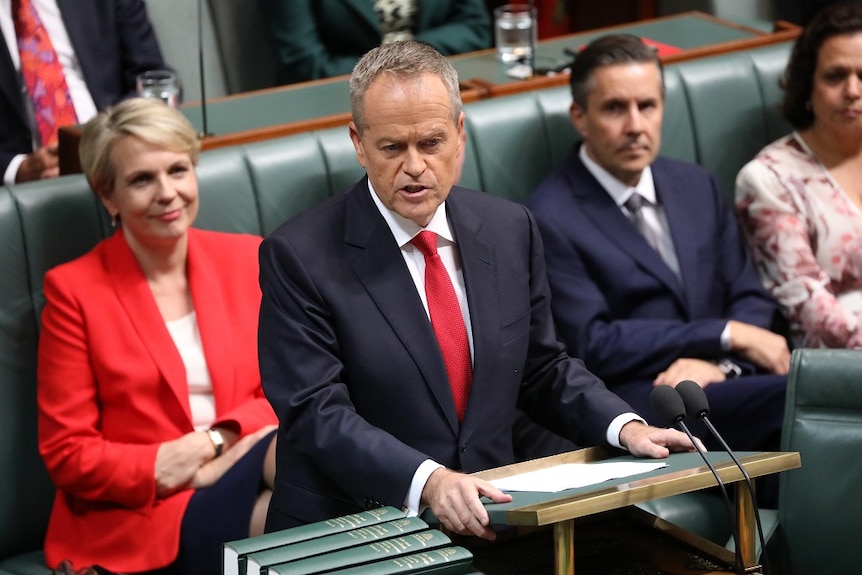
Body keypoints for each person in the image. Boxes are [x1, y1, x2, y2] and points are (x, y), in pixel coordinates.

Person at [258, 40, 697, 538]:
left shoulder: (510, 228)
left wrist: (625, 427)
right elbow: (315, 413)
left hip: (493, 513)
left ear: (460, 135)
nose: (415, 165)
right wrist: (429, 482)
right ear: (358, 143)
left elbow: (542, 367)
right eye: (391, 147)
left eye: (431, 143)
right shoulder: (299, 255)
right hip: (358, 522)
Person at [37, 98, 278, 575]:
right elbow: (68, 451)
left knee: (308, 463)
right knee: (297, 501)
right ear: (109, 197)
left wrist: (214, 440)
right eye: (142, 179)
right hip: (152, 510)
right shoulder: (74, 291)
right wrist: (165, 465)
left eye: (177, 170)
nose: (167, 193)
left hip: (248, 456)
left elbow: (287, 387)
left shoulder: (247, 258)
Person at [525, 35, 790, 462]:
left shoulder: (696, 185)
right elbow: (594, 342)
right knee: (812, 402)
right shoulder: (547, 216)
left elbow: (749, 296)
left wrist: (720, 367)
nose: (635, 125)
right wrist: (722, 334)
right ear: (580, 116)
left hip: (723, 382)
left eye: (647, 106)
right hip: (642, 400)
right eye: (615, 108)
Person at [736, 3, 862, 350]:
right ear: (807, 86)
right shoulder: (769, 180)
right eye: (835, 76)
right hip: (839, 371)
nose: (852, 90)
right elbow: (814, 316)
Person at [0, 0, 167, 184]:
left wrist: (114, 139)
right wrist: (16, 169)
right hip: (27, 188)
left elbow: (153, 79)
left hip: (119, 157)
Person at [257, 0, 492, 85]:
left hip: (442, 84)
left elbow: (476, 27)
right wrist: (391, 69)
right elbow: (305, 64)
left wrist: (408, 54)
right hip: (342, 98)